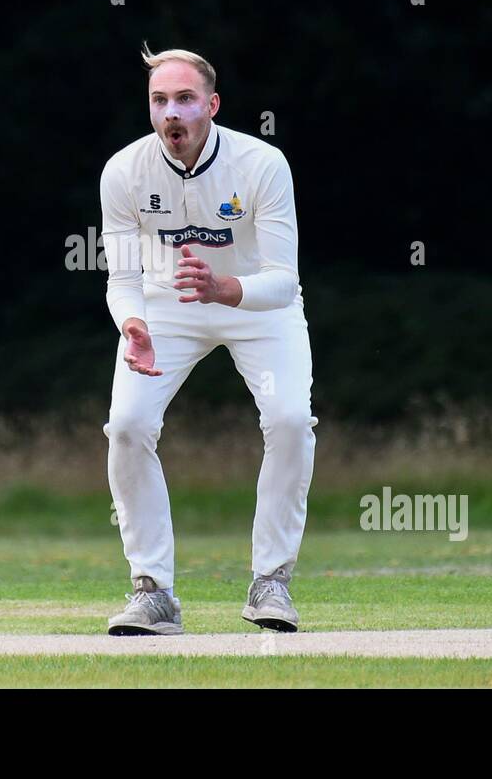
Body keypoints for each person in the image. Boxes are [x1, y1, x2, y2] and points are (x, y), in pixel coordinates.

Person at [99, 43, 317, 635]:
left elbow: (283, 281)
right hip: (167, 309)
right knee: (127, 425)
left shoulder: (262, 164)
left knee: (291, 419)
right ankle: (153, 592)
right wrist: (134, 325)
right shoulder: (123, 172)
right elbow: (122, 280)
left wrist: (225, 288)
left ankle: (271, 582)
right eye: (160, 101)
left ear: (212, 105)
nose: (171, 113)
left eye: (185, 99)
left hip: (255, 303)